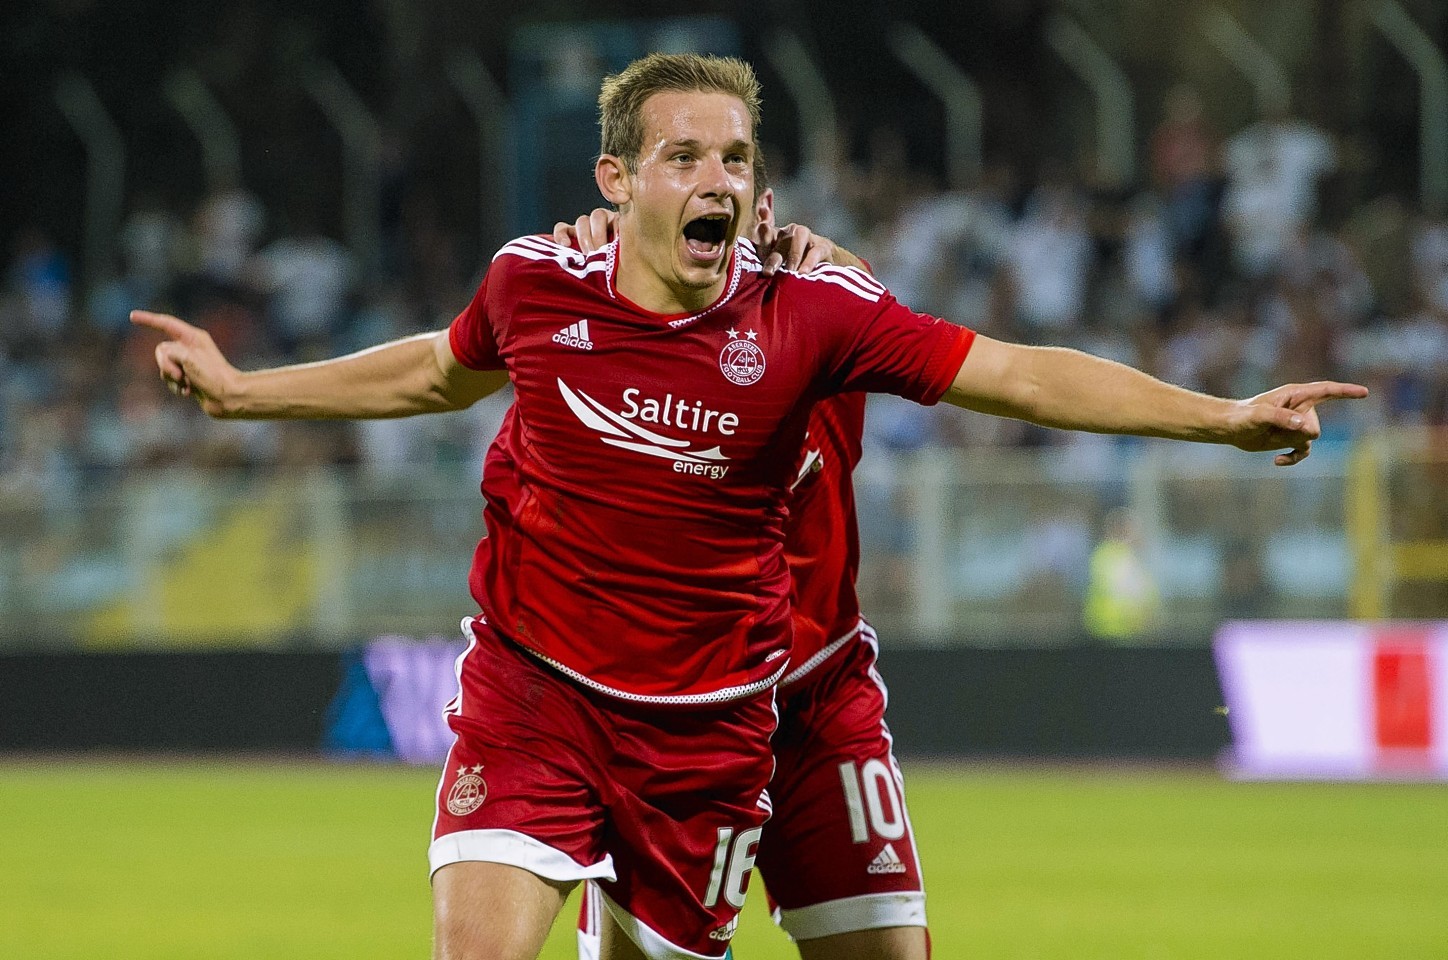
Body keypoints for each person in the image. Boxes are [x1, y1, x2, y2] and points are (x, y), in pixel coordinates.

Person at [133, 53, 1365, 960]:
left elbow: (1020, 374)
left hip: (723, 718)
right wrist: (246, 397)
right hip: (533, 691)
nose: (719, 179)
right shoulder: (533, 282)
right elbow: (430, 371)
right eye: (685, 156)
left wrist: (1220, 415)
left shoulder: (817, 311)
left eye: (736, 158)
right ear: (617, 180)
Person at [562, 173, 932, 960]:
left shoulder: (824, 316)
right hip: (676, 709)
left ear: (766, 214)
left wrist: (835, 254)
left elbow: (880, 300)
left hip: (814, 696)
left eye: (743, 193)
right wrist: (601, 252)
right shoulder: (624, 337)